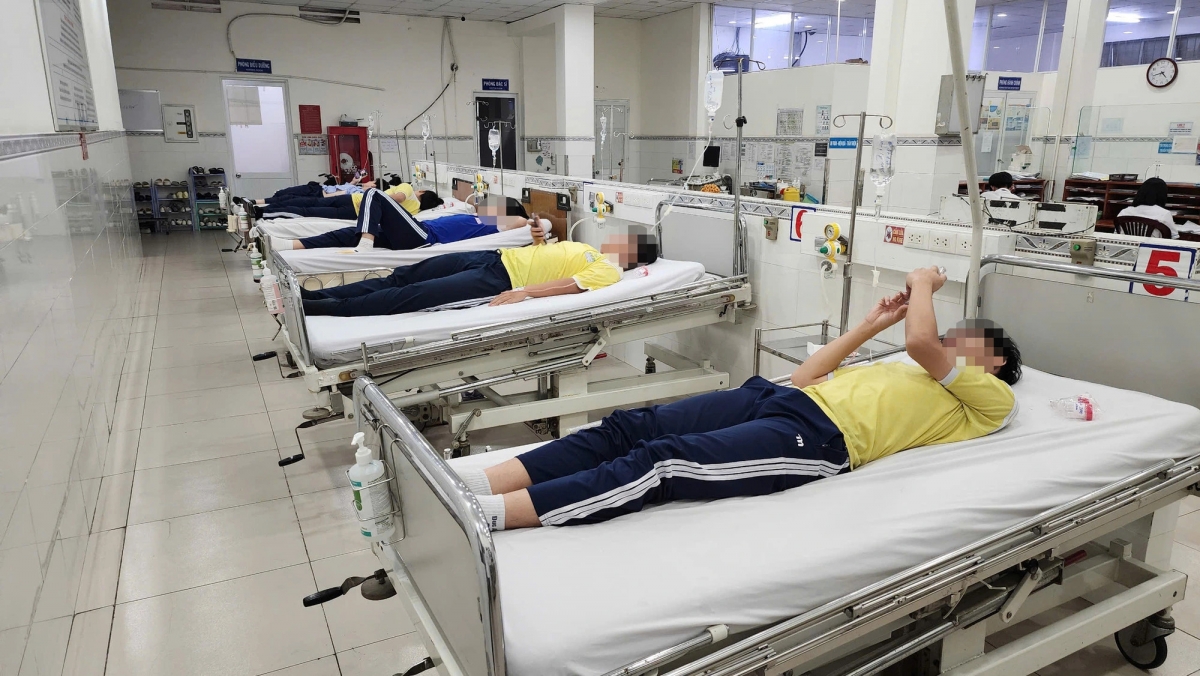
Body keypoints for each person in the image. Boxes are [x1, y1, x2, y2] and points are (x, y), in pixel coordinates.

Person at [458, 266, 1021, 531]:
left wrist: (922, 284)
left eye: (971, 335)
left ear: (994, 359)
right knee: (630, 427)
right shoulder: (911, 371)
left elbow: (923, 339)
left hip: (819, 441)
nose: (953, 335)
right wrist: (872, 324)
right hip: (779, 398)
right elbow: (805, 377)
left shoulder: (988, 396)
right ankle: (475, 483)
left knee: (662, 462)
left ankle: (491, 516)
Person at [300, 225, 657, 317]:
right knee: (404, 276)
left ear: (633, 254)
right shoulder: (589, 248)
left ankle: (324, 308)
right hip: (492, 256)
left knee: (409, 297)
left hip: (498, 280)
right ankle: (317, 295)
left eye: (625, 239)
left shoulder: (608, 270)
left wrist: (526, 292)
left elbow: (571, 285)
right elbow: (550, 260)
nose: (616, 238)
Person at [271, 193, 530, 252]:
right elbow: (473, 203)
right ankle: (289, 245)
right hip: (416, 232)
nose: (488, 205)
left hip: (424, 237)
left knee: (375, 196)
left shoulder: (498, 224)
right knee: (351, 230)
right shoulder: (476, 216)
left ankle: (366, 242)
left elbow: (522, 220)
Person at [242, 183, 423, 220]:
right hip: (353, 202)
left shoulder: (408, 190)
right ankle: (261, 209)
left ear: (421, 192)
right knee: (308, 206)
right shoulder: (415, 212)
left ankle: (262, 212)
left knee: (308, 210)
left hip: (354, 207)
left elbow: (397, 198)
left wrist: (373, 196)